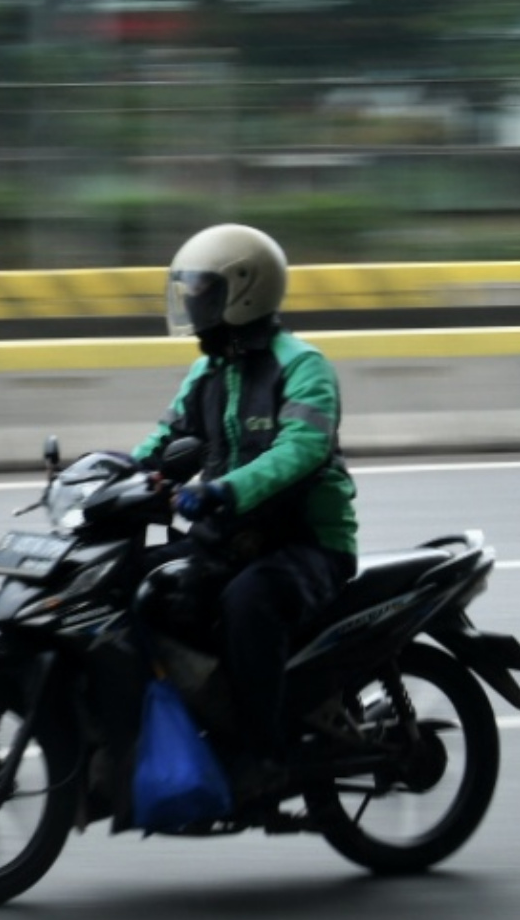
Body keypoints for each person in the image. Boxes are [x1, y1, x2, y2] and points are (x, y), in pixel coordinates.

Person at [132, 223, 359, 761]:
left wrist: (222, 493)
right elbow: (164, 440)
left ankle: (262, 752)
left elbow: (299, 451)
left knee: (247, 603)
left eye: (202, 291)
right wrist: (110, 477)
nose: (191, 303)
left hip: (305, 543)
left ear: (242, 291)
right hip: (229, 538)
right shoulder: (208, 372)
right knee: (138, 583)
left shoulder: (303, 367)